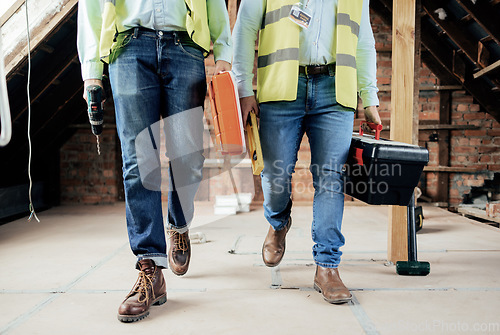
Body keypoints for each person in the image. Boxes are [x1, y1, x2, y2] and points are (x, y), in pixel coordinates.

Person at [77, 0, 232, 322]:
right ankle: (150, 268)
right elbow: (90, 9)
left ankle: (178, 225)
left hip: (186, 48)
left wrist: (224, 53)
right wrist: (92, 72)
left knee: (187, 159)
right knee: (138, 162)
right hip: (129, 48)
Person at [232, 0, 381, 304]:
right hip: (281, 87)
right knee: (275, 173)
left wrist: (370, 97)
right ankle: (278, 222)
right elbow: (245, 28)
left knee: (331, 178)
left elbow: (363, 39)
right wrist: (244, 89)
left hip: (334, 88)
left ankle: (327, 267)